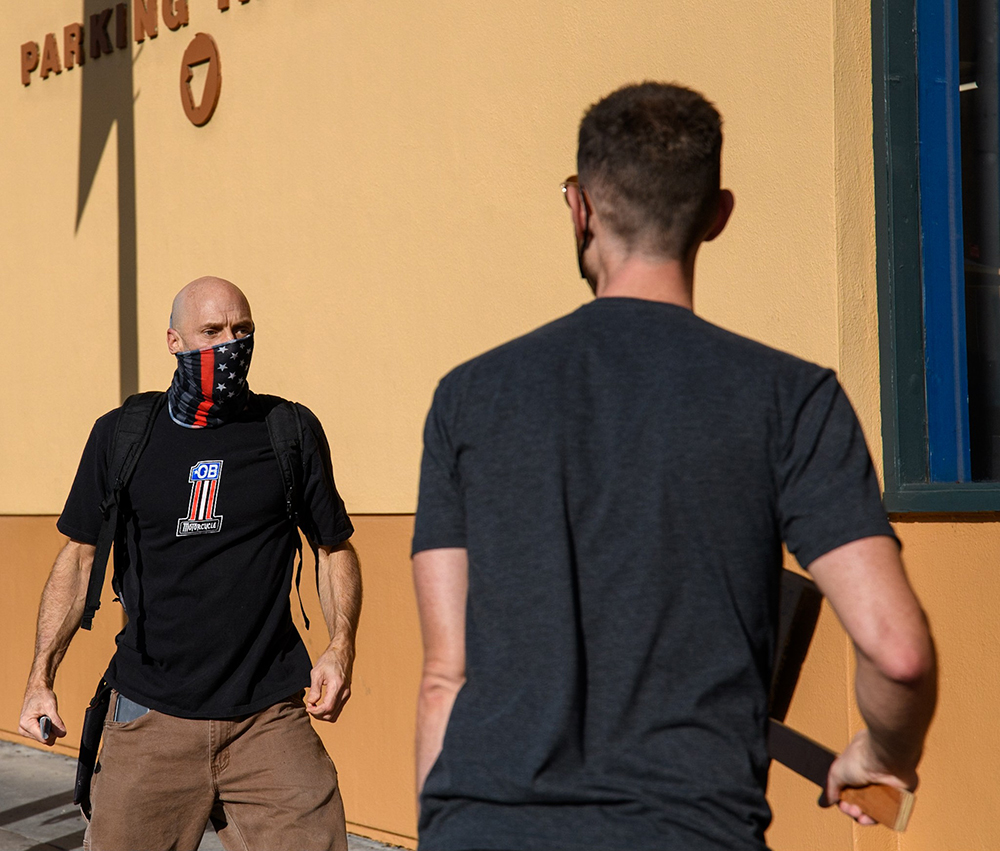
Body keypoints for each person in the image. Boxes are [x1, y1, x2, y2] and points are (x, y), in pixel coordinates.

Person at [411, 82, 937, 851]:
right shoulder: (791, 399)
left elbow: (442, 680)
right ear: (717, 217)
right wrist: (882, 752)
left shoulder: (469, 397)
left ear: (581, 208)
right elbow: (899, 650)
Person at [18, 276, 361, 851]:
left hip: (268, 717)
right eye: (211, 331)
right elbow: (77, 561)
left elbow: (333, 549)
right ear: (174, 341)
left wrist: (340, 645)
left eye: (242, 330)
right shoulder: (123, 435)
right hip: (150, 717)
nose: (230, 344)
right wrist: (39, 679)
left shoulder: (288, 430)